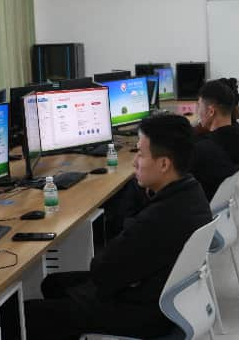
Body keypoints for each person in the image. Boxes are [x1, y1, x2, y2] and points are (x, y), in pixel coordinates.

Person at [24, 114, 213, 340]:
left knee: (26, 315)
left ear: (164, 164)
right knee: (53, 283)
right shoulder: (193, 193)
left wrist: (127, 222)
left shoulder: (156, 219)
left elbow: (102, 271)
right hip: (168, 302)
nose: (134, 162)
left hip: (143, 315)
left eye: (140, 154)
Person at [190, 79, 239, 200]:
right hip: (211, 205)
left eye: (199, 106)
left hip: (195, 204)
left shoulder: (203, 150)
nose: (197, 112)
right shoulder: (238, 138)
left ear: (211, 111)